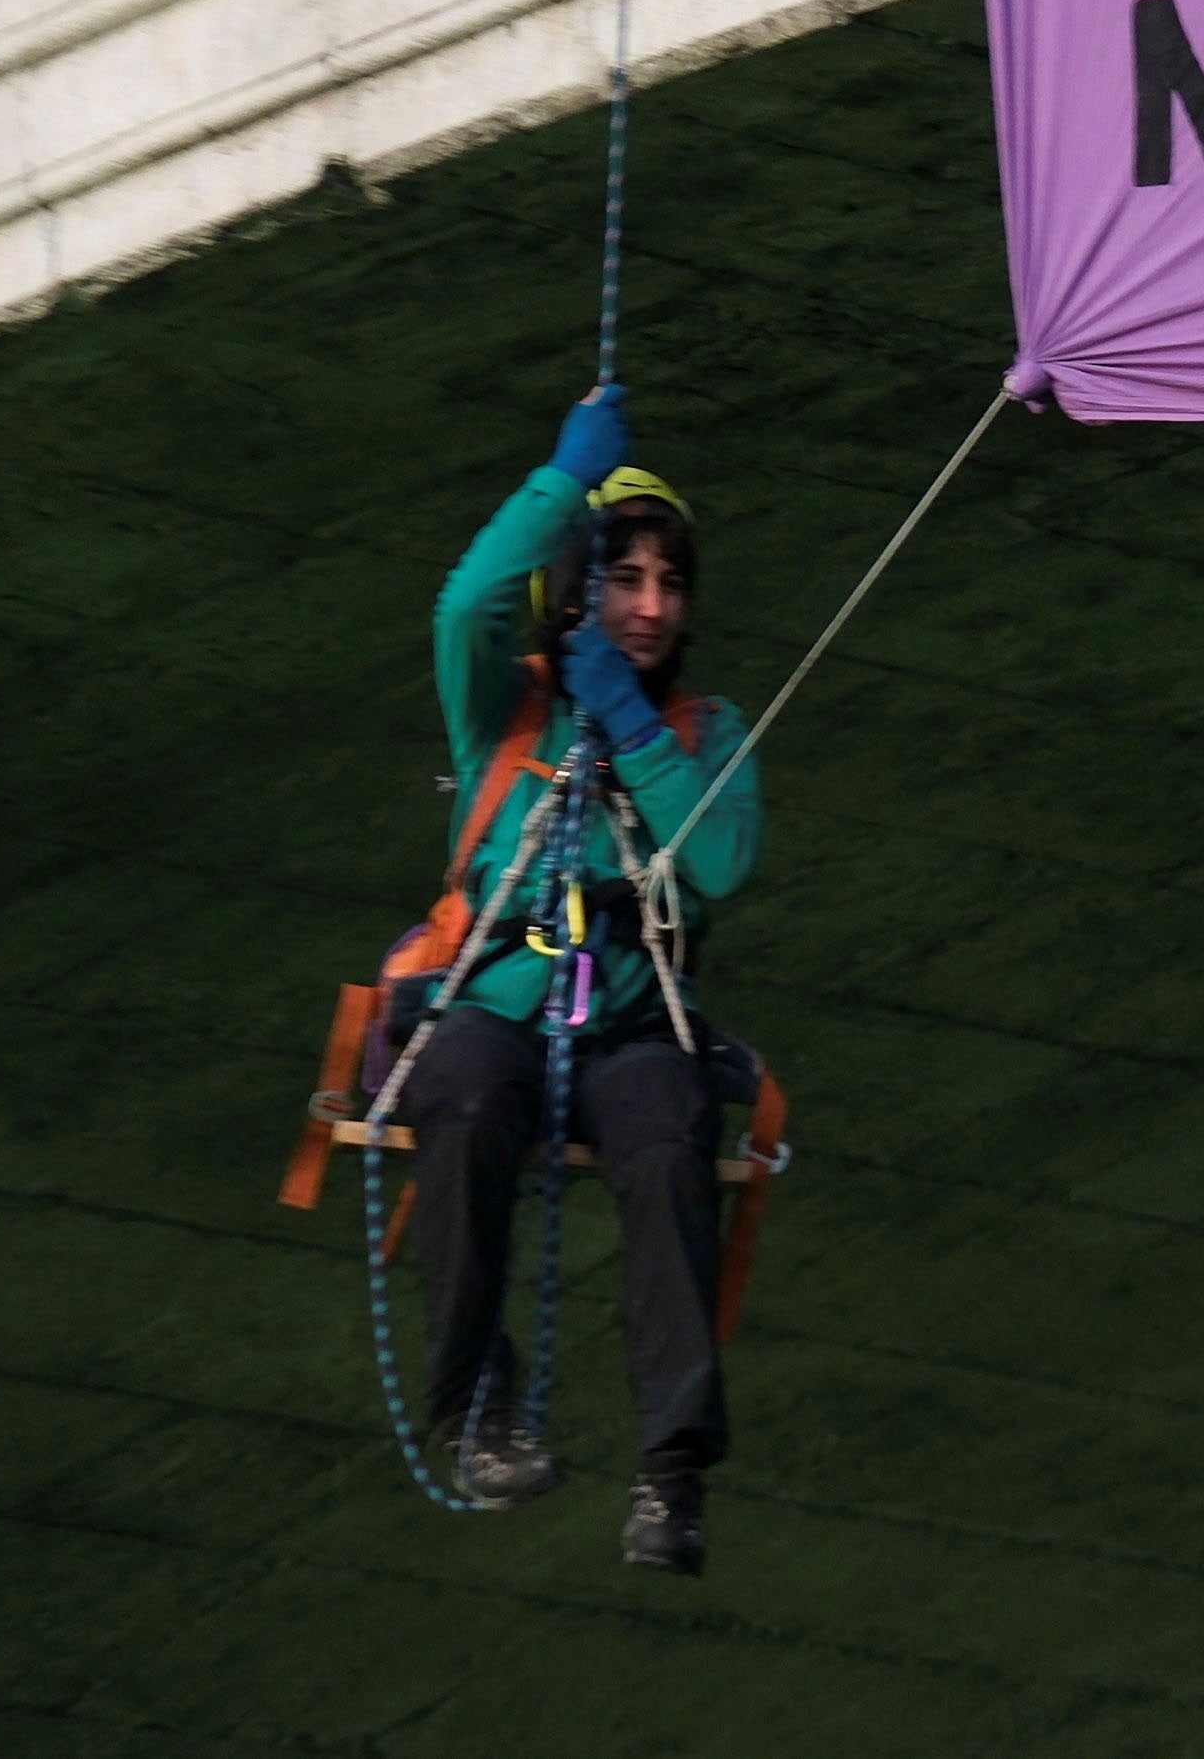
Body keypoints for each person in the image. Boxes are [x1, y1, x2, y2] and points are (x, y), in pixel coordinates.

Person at [392, 389, 762, 1570]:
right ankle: (480, 1406)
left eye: (668, 582)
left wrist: (628, 720)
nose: (650, 607)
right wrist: (561, 485)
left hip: (633, 1024)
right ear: (574, 587)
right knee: (458, 1095)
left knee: (666, 1137)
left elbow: (716, 859)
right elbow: (464, 605)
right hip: (496, 1003)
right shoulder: (505, 708)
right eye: (622, 578)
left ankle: (672, 1473)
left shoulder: (705, 733)